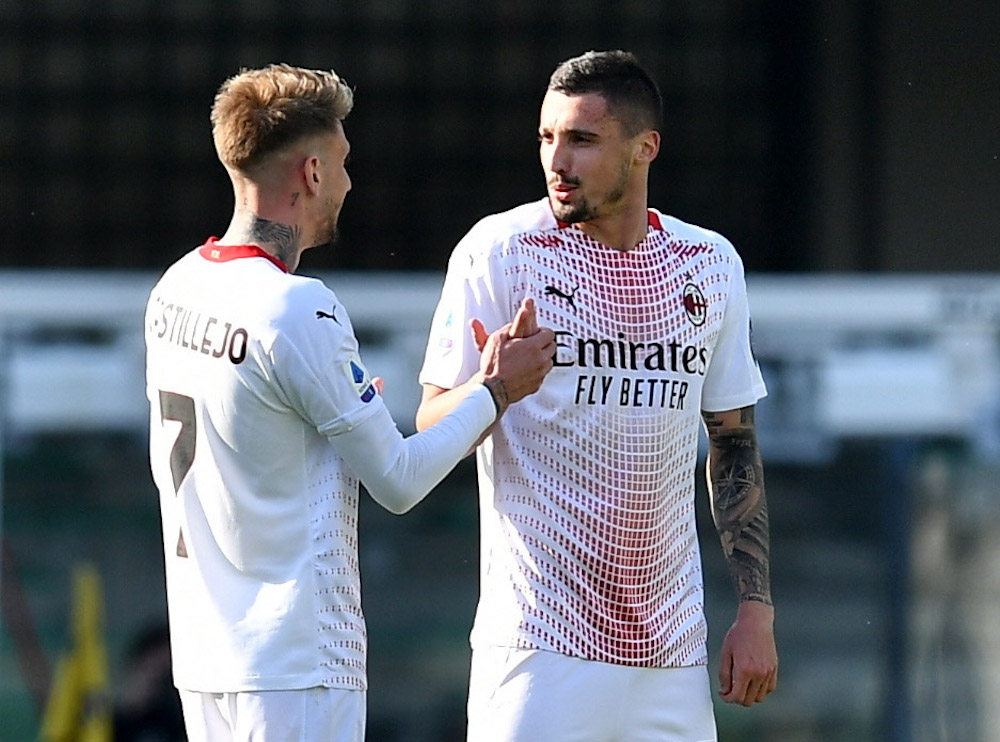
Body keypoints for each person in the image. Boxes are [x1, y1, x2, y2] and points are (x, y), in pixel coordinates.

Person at [143, 63, 555, 742]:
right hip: (298, 664)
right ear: (308, 173)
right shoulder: (298, 309)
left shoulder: (176, 288)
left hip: (206, 656)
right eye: (342, 162)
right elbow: (397, 479)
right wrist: (497, 390)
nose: (349, 182)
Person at [416, 50, 777, 741]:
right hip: (537, 645)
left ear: (645, 149)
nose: (558, 160)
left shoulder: (710, 263)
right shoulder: (500, 252)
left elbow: (732, 440)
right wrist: (492, 390)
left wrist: (756, 609)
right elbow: (428, 421)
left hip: (670, 654)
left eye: (581, 139)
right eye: (548, 138)